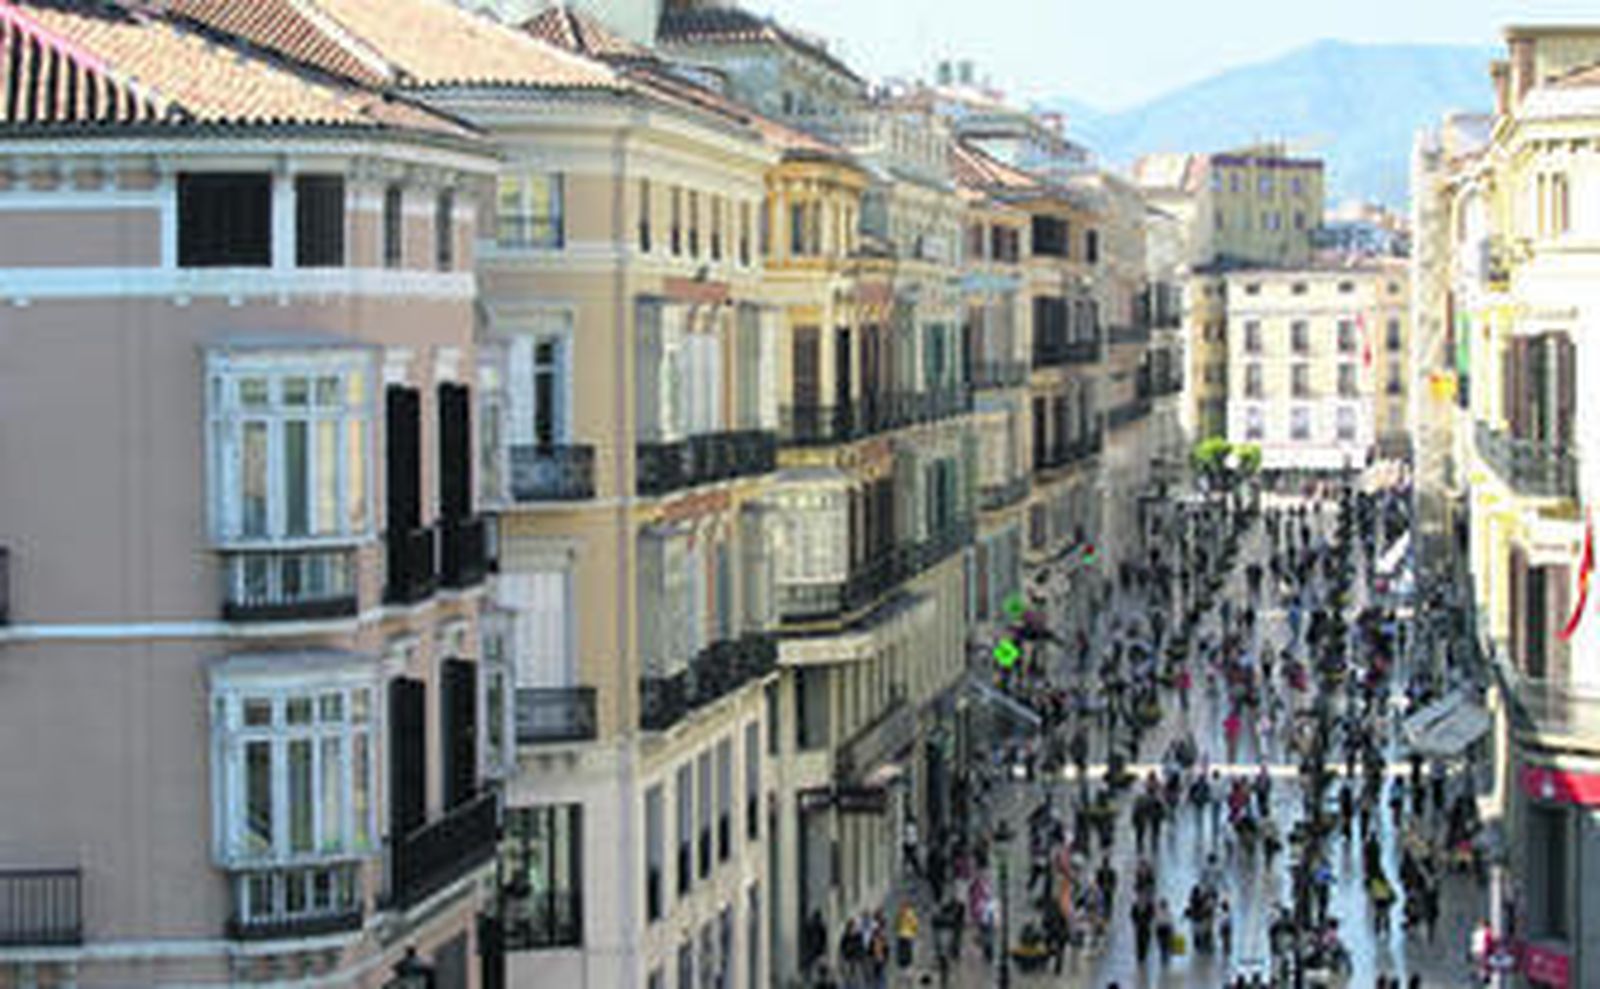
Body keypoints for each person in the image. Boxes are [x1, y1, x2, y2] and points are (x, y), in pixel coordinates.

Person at [895, 902, 918, 969]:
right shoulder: (903, 914)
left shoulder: (907, 914)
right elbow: (914, 924)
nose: (902, 909)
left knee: (905, 947)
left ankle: (906, 960)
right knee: (904, 948)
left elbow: (914, 923)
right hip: (905, 934)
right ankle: (905, 960)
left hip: (905, 934)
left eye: (903, 907)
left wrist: (913, 931)